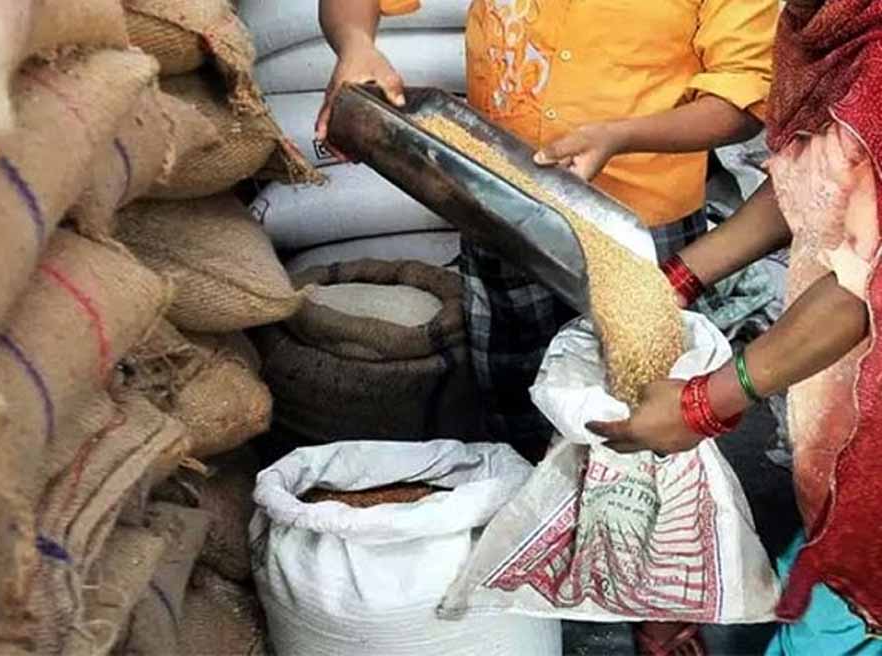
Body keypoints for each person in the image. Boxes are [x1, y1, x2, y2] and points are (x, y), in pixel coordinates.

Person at [316, 1, 777, 653]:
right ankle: (538, 559)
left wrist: (620, 136)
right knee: (516, 398)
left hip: (637, 231)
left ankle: (659, 598)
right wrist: (356, 44)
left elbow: (744, 101)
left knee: (648, 425)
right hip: (500, 205)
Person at [589, 0, 882, 653]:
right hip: (844, 403)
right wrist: (674, 281)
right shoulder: (832, 28)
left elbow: (860, 286)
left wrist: (705, 404)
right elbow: (813, 178)